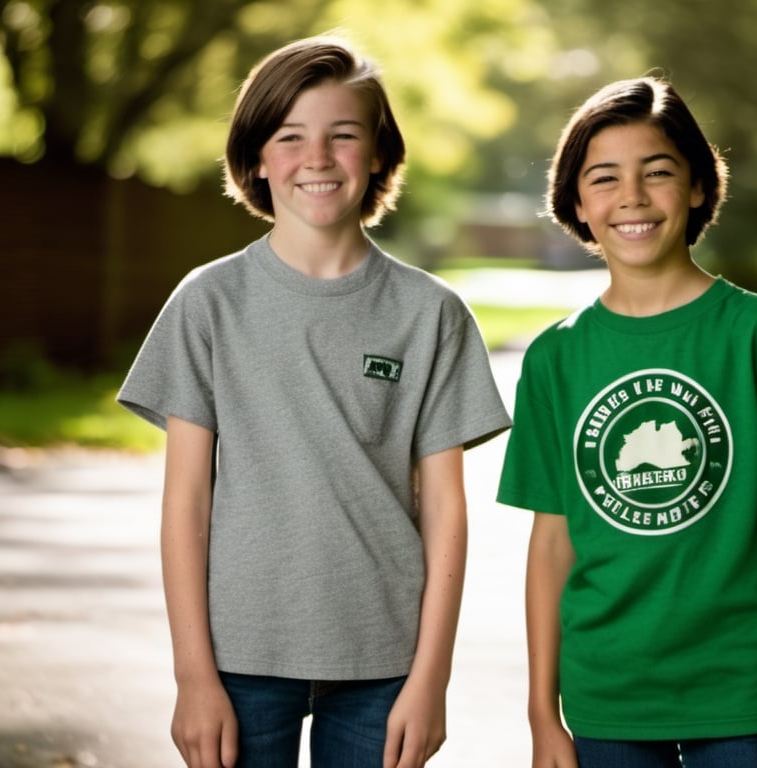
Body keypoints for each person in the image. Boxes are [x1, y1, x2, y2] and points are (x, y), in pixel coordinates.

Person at [118, 33, 511, 768]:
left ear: (379, 153)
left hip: (385, 665)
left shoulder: (430, 314)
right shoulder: (208, 304)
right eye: (290, 137)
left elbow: (447, 511)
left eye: (344, 135)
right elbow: (186, 506)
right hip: (238, 661)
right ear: (257, 159)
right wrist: (193, 675)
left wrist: (432, 679)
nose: (318, 158)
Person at [496, 76, 757, 768]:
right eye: (604, 178)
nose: (631, 197)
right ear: (576, 202)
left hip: (746, 692)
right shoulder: (556, 358)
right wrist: (543, 715)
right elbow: (550, 545)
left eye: (657, 172)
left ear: (696, 186)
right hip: (609, 696)